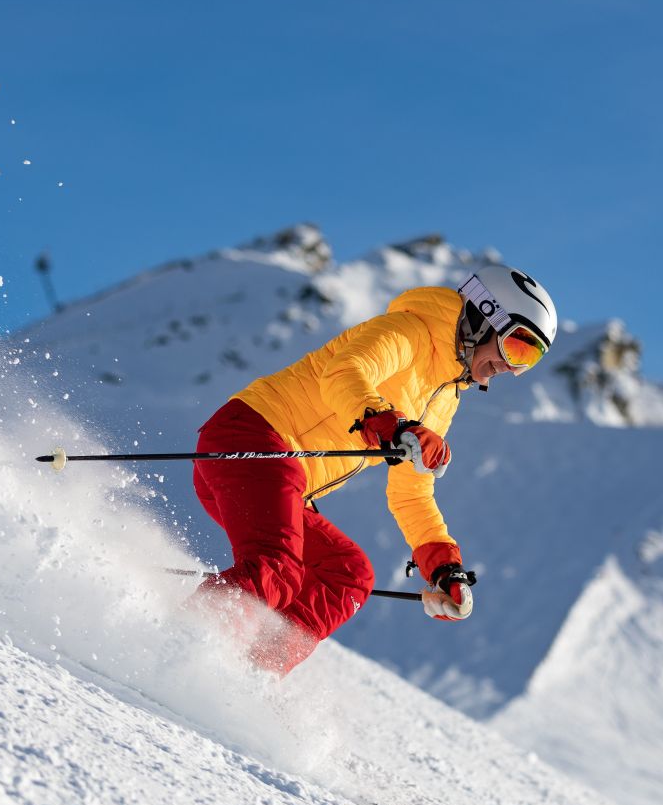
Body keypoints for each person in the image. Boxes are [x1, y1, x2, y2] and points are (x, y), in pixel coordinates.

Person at [191, 265, 558, 673]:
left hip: (283, 481)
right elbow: (344, 372)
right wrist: (389, 423)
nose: (512, 368)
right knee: (276, 569)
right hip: (254, 436)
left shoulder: (444, 397)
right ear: (483, 317)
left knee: (347, 574)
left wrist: (441, 565)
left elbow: (411, 492)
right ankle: (183, 641)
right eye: (516, 348)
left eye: (530, 360)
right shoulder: (410, 331)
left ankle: (248, 674)